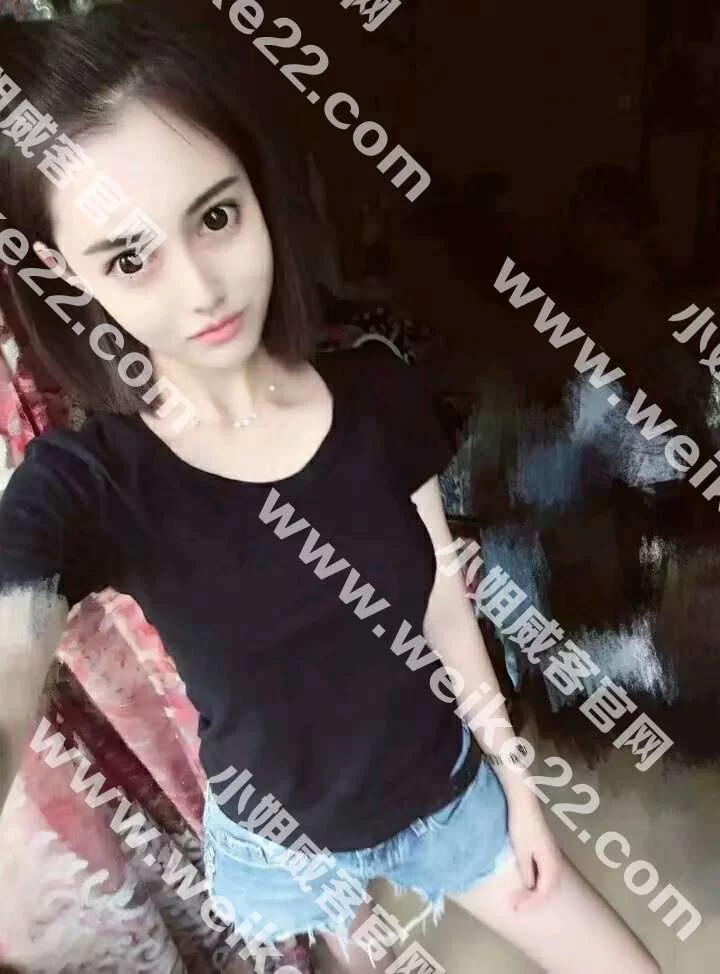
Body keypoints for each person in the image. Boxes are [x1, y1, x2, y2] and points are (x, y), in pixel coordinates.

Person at [0, 7, 662, 974]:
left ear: (258, 195)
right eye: (131, 258)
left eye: (216, 218)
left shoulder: (379, 392)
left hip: (446, 799)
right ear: (71, 275)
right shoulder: (89, 485)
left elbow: (442, 598)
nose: (201, 290)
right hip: (280, 848)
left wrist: (521, 790)